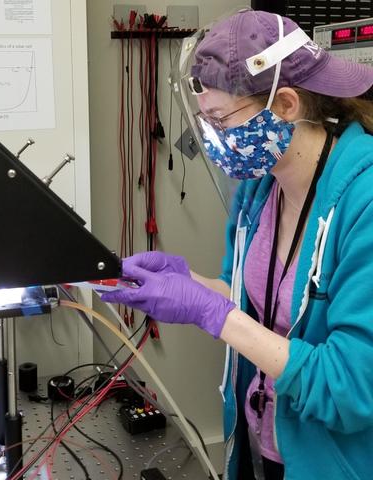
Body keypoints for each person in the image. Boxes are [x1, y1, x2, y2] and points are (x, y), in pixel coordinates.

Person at [101, 9, 373, 480]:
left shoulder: (362, 200)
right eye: (207, 124)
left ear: (285, 105)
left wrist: (212, 313)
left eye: (222, 121)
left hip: (329, 460)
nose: (215, 140)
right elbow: (252, 298)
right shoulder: (259, 187)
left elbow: (350, 387)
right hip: (257, 439)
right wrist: (191, 285)